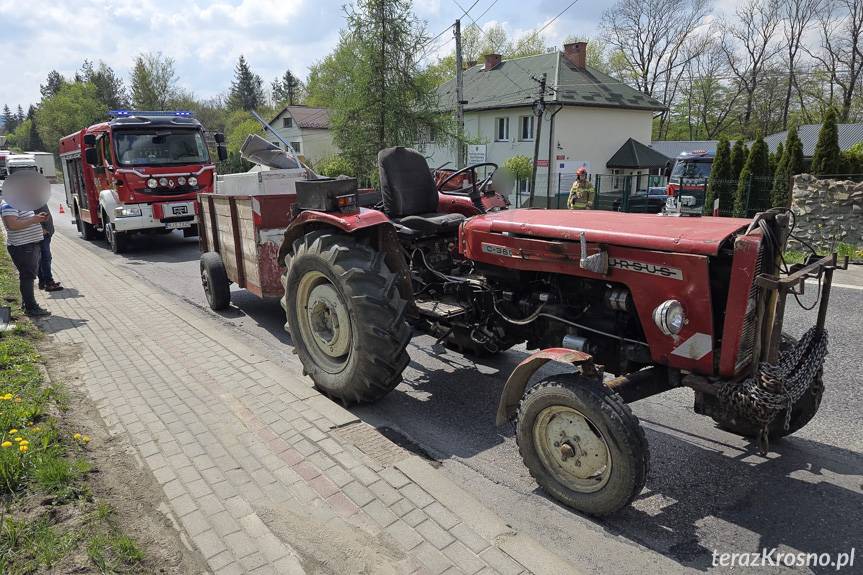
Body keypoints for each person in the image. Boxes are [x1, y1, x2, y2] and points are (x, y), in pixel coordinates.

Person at [1, 197, 51, 316]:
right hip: (23, 247)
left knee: (28, 276)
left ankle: (27, 304)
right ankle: (31, 307)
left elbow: (23, 221)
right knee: (27, 277)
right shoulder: (9, 204)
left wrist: (38, 220)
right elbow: (12, 224)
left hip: (28, 246)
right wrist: (34, 220)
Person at [34, 204, 62, 292]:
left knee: (43, 258)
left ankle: (43, 281)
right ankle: (48, 282)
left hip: (46, 233)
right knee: (45, 258)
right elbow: (30, 216)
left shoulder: (39, 198)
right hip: (41, 234)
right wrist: (40, 229)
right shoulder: (30, 200)